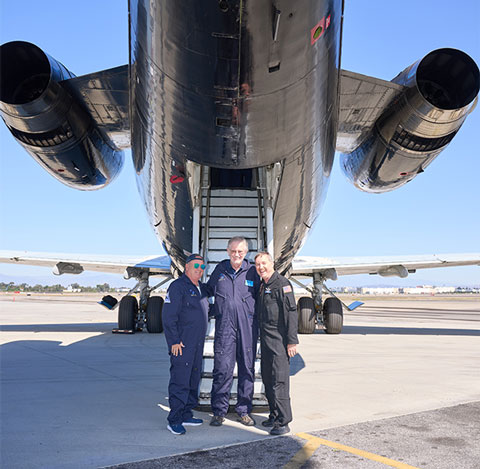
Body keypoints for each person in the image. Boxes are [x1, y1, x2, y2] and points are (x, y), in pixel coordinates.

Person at [207, 236, 260, 427]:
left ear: (246, 253)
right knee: (222, 369)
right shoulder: (220, 270)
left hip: (247, 329)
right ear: (228, 251)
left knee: (247, 369)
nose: (236, 254)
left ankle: (243, 410)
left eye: (240, 251)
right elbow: (207, 293)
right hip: (225, 329)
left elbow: (261, 299)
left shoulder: (253, 271)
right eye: (233, 251)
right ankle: (219, 411)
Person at [162, 254, 210, 435]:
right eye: (196, 266)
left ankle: (186, 413)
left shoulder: (200, 288)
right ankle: (174, 419)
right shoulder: (178, 287)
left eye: (202, 267)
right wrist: (173, 341)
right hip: (182, 344)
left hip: (197, 343)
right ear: (186, 268)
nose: (199, 269)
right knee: (180, 381)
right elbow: (168, 317)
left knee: (192, 379)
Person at [254, 251, 298, 436]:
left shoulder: (282, 285)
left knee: (279, 381)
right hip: (266, 341)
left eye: (264, 263)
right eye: (258, 264)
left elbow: (291, 314)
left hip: (280, 342)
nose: (261, 267)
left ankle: (283, 421)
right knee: (267, 378)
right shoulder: (263, 286)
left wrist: (292, 342)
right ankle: (273, 414)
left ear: (272, 263)